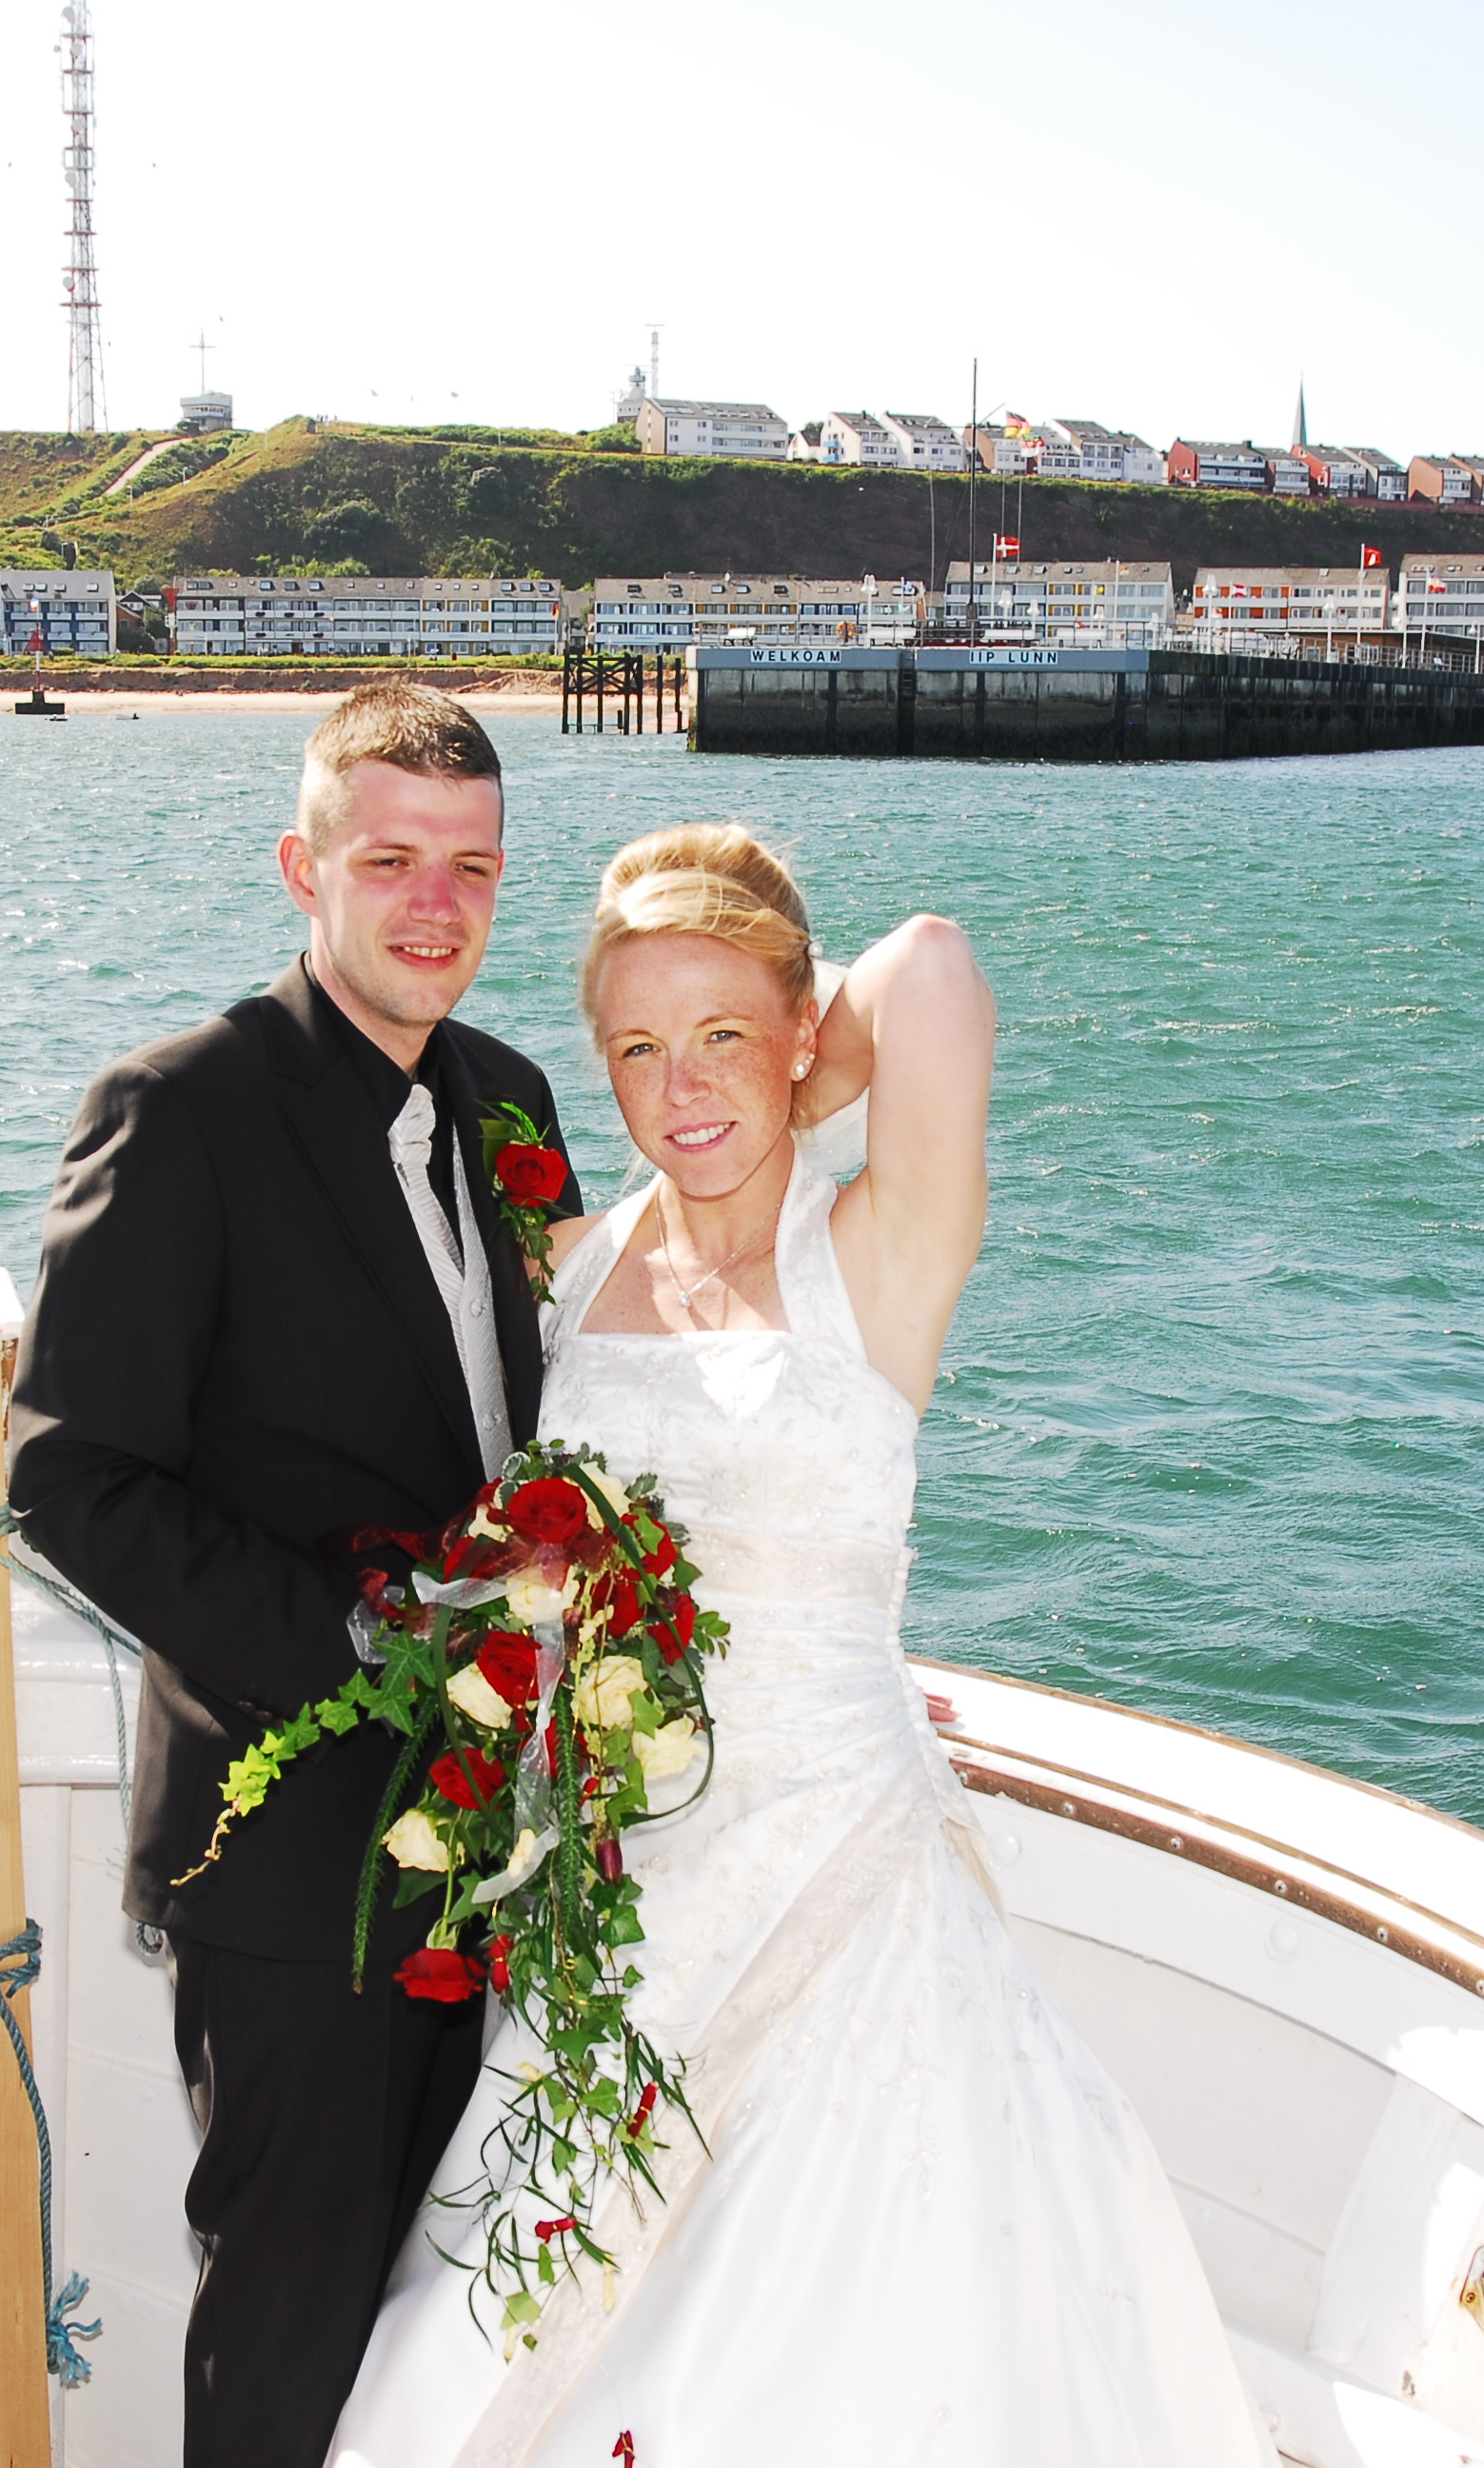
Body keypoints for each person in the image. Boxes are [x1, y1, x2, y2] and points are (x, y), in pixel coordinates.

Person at [329, 826, 1271, 2467]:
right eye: (634, 1048)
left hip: (841, 1874)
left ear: (799, 1031)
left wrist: (783, 1081)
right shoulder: (580, 1267)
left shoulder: (880, 1253)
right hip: (614, 1896)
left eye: (721, 1036)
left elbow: (938, 966)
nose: (676, 1085)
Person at [9, 683, 584, 2468]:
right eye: (392, 860)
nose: (437, 905)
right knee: (290, 2304)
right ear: (302, 868)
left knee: (450, 2305)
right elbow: (70, 1476)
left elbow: (546, 1422)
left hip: (506, 1836)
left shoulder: (514, 1097)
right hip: (292, 1862)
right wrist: (356, 1646)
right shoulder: (181, 1109)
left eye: (473, 869)